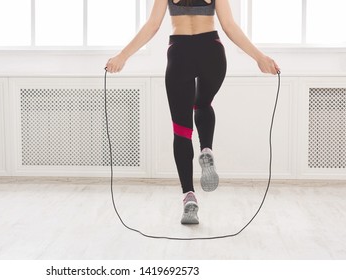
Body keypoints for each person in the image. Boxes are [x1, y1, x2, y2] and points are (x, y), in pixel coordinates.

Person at [105, 0, 280, 225]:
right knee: (203, 103)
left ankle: (189, 198)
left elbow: (153, 26)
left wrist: (122, 56)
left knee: (182, 130)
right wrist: (260, 58)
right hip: (212, 51)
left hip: (180, 53)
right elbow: (229, 26)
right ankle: (206, 149)